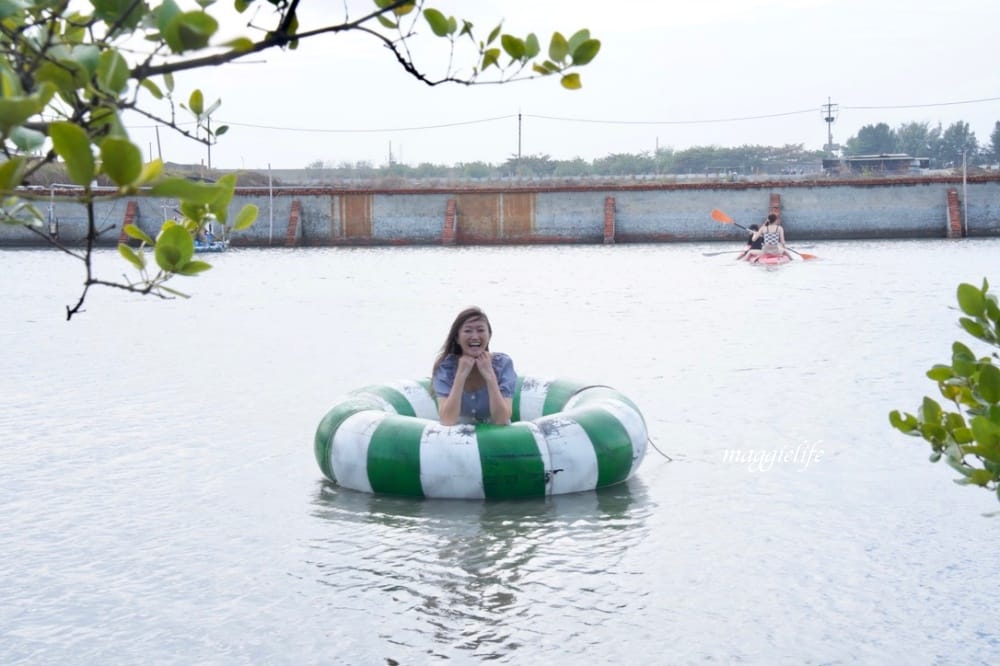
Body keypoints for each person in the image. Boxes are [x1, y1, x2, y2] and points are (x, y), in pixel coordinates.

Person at [432, 306, 516, 426]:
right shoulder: (446, 367)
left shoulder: (503, 364)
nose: (475, 336)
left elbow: (502, 420)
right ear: (457, 338)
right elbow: (447, 420)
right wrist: (460, 375)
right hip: (457, 439)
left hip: (495, 438)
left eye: (481, 330)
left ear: (489, 335)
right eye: (468, 331)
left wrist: (490, 376)